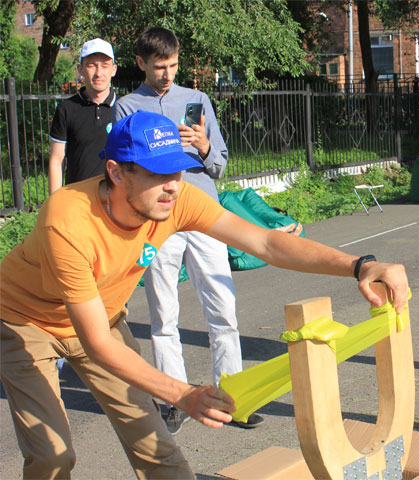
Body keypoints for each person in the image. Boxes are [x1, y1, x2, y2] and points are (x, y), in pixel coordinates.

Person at [0, 110, 409, 479]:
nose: (172, 187)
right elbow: (97, 343)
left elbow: (266, 243)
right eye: (157, 174)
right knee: (53, 457)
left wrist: (359, 265)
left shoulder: (175, 199)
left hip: (101, 317)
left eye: (176, 173)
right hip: (24, 322)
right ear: (116, 172)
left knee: (155, 444)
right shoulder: (68, 222)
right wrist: (184, 393)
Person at [113, 27, 255, 434]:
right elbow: (125, 170)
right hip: (159, 220)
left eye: (173, 65)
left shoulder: (197, 100)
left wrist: (205, 146)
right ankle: (172, 398)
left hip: (204, 214)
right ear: (140, 63)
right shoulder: (128, 108)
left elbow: (221, 164)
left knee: (222, 308)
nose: (167, 74)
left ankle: (232, 396)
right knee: (163, 313)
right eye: (159, 67)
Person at [48, 38, 117, 194]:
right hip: (76, 200)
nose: (98, 73)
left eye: (104, 66)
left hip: (116, 201)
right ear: (80, 69)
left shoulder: (124, 108)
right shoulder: (67, 108)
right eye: (91, 65)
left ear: (113, 69)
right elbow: (56, 160)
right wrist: (54, 204)